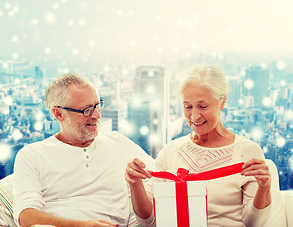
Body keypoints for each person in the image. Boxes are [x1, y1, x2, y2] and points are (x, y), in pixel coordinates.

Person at [125, 64, 277, 227]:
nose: (195, 116)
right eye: (187, 106)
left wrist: (264, 187)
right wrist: (135, 185)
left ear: (222, 101)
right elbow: (149, 222)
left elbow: (254, 223)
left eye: (203, 106)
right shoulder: (170, 152)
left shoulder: (247, 152)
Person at [13, 74, 154, 227]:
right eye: (87, 110)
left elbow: (164, 176)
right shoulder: (32, 155)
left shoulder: (118, 143)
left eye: (97, 106)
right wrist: (82, 225)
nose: (97, 115)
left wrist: (136, 181)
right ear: (58, 114)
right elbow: (25, 217)